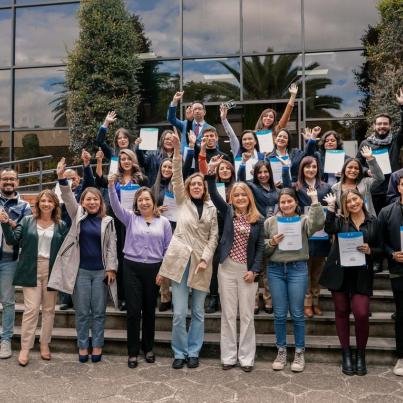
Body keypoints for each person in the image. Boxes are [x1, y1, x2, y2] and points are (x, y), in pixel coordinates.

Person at [157, 130, 218, 370]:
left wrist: (205, 258)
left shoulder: (212, 208)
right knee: (179, 313)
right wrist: (176, 152)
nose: (194, 187)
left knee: (199, 312)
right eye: (192, 184)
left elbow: (214, 237)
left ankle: (194, 351)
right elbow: (176, 178)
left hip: (202, 263)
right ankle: (179, 352)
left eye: (198, 184)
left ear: (204, 187)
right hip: (180, 262)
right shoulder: (181, 202)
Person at [49, 158, 118, 364]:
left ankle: (97, 345)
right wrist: (61, 177)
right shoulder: (77, 214)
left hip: (101, 272)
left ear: (100, 202)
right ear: (83, 202)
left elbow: (111, 246)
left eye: (95, 199)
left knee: (98, 312)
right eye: (88, 199)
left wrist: (112, 268)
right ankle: (82, 345)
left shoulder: (107, 221)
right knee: (82, 312)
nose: (92, 202)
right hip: (79, 272)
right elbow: (68, 196)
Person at [109, 180, 172, 368]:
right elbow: (115, 205)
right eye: (140, 200)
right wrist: (112, 187)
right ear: (136, 203)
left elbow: (169, 248)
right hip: (132, 268)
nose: (144, 203)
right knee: (134, 311)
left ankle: (148, 348)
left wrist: (164, 271)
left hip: (154, 270)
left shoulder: (165, 222)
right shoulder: (130, 218)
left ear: (153, 202)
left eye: (147, 199)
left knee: (149, 311)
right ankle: (133, 352)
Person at [0, 190, 67, 366]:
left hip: (52, 270)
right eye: (43, 201)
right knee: (31, 310)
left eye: (49, 201)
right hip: (31, 268)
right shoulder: (28, 220)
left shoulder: (61, 224)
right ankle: (25, 347)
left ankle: (44, 344)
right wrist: (6, 224)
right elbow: (13, 240)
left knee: (49, 310)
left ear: (55, 204)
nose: (46, 204)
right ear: (37, 204)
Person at [205, 171, 264, 372]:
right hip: (226, 269)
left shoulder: (258, 219)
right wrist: (211, 176)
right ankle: (229, 357)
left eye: (243, 194)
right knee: (228, 314)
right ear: (231, 198)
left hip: (247, 272)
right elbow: (213, 194)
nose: (240, 198)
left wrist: (255, 270)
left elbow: (260, 248)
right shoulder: (227, 212)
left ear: (249, 197)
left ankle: (247, 358)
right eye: (236, 195)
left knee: (246, 315)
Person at [320, 190, 380, 376]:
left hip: (361, 274)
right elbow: (328, 228)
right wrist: (331, 209)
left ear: (361, 200)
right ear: (344, 205)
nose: (353, 203)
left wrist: (371, 251)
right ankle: (346, 352)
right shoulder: (340, 221)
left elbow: (381, 249)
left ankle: (360, 354)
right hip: (339, 273)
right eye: (348, 202)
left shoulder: (373, 222)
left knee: (361, 313)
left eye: (355, 199)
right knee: (341, 312)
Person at [265, 187, 325, 372]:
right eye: (283, 202)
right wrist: (272, 242)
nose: (286, 204)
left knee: (298, 313)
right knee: (280, 313)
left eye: (289, 201)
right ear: (279, 204)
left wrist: (314, 200)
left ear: (296, 203)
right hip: (275, 270)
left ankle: (299, 351)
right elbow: (264, 250)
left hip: (297, 269)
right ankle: (281, 350)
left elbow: (318, 224)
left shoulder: (303, 221)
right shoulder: (269, 222)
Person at [96, 148, 148, 312]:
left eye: (128, 159)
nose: (125, 161)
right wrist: (98, 161)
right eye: (122, 159)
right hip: (117, 221)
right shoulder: (115, 178)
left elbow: (147, 199)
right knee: (118, 256)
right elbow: (99, 180)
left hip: (134, 221)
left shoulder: (142, 178)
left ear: (133, 161)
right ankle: (122, 297)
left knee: (132, 258)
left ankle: (135, 295)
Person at [283, 156, 332, 318]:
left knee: (317, 272)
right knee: (305, 272)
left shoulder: (325, 187)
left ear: (318, 169)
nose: (310, 170)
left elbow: (330, 208)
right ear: (301, 169)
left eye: (314, 167)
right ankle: (307, 303)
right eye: (307, 167)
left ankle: (316, 301)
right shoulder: (296, 187)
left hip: (322, 235)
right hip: (303, 233)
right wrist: (285, 169)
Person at [238, 158, 285, 315]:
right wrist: (243, 165)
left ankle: (268, 299)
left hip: (273, 231)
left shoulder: (277, 191)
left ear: (270, 173)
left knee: (269, 268)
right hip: (256, 229)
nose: (263, 175)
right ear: (255, 174)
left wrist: (285, 169)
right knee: (256, 266)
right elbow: (240, 181)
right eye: (260, 172)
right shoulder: (251, 187)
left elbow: (288, 189)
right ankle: (255, 300)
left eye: (266, 172)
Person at [0, 168, 32, 360]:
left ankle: (5, 340)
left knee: (8, 302)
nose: (8, 182)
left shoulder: (24, 206)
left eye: (12, 179)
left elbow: (24, 234)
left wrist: (8, 222)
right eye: (5, 179)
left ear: (18, 182)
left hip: (8, 259)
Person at [58, 149, 95, 311]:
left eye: (72, 178)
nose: (70, 181)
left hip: (84, 232)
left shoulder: (83, 192)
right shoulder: (58, 192)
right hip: (65, 232)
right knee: (66, 265)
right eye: (66, 179)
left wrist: (86, 165)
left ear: (78, 178)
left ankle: (83, 299)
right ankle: (67, 299)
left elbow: (90, 183)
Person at [199, 151, 236, 314]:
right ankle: (214, 296)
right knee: (214, 264)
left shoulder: (238, 188)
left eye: (228, 169)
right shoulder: (212, 188)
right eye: (222, 169)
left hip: (232, 229)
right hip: (214, 228)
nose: (225, 171)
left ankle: (229, 297)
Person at [356, 88, 403, 214]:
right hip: (374, 190)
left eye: (385, 124)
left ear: (390, 126)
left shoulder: (395, 141)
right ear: (374, 126)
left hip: (392, 190)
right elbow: (358, 163)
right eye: (379, 124)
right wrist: (367, 171)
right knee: (376, 222)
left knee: (393, 221)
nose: (382, 126)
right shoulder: (365, 143)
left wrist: (402, 106)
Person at [377, 175, 403, 376]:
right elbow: (380, 243)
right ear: (399, 187)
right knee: (401, 314)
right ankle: (401, 356)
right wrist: (392, 254)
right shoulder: (386, 212)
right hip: (398, 270)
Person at [332, 147, 384, 217]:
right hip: (345, 223)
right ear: (344, 169)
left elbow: (380, 178)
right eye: (350, 167)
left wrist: (370, 158)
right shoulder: (335, 188)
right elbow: (335, 209)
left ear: (360, 171)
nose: (353, 170)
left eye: (356, 168)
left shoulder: (365, 183)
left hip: (366, 222)